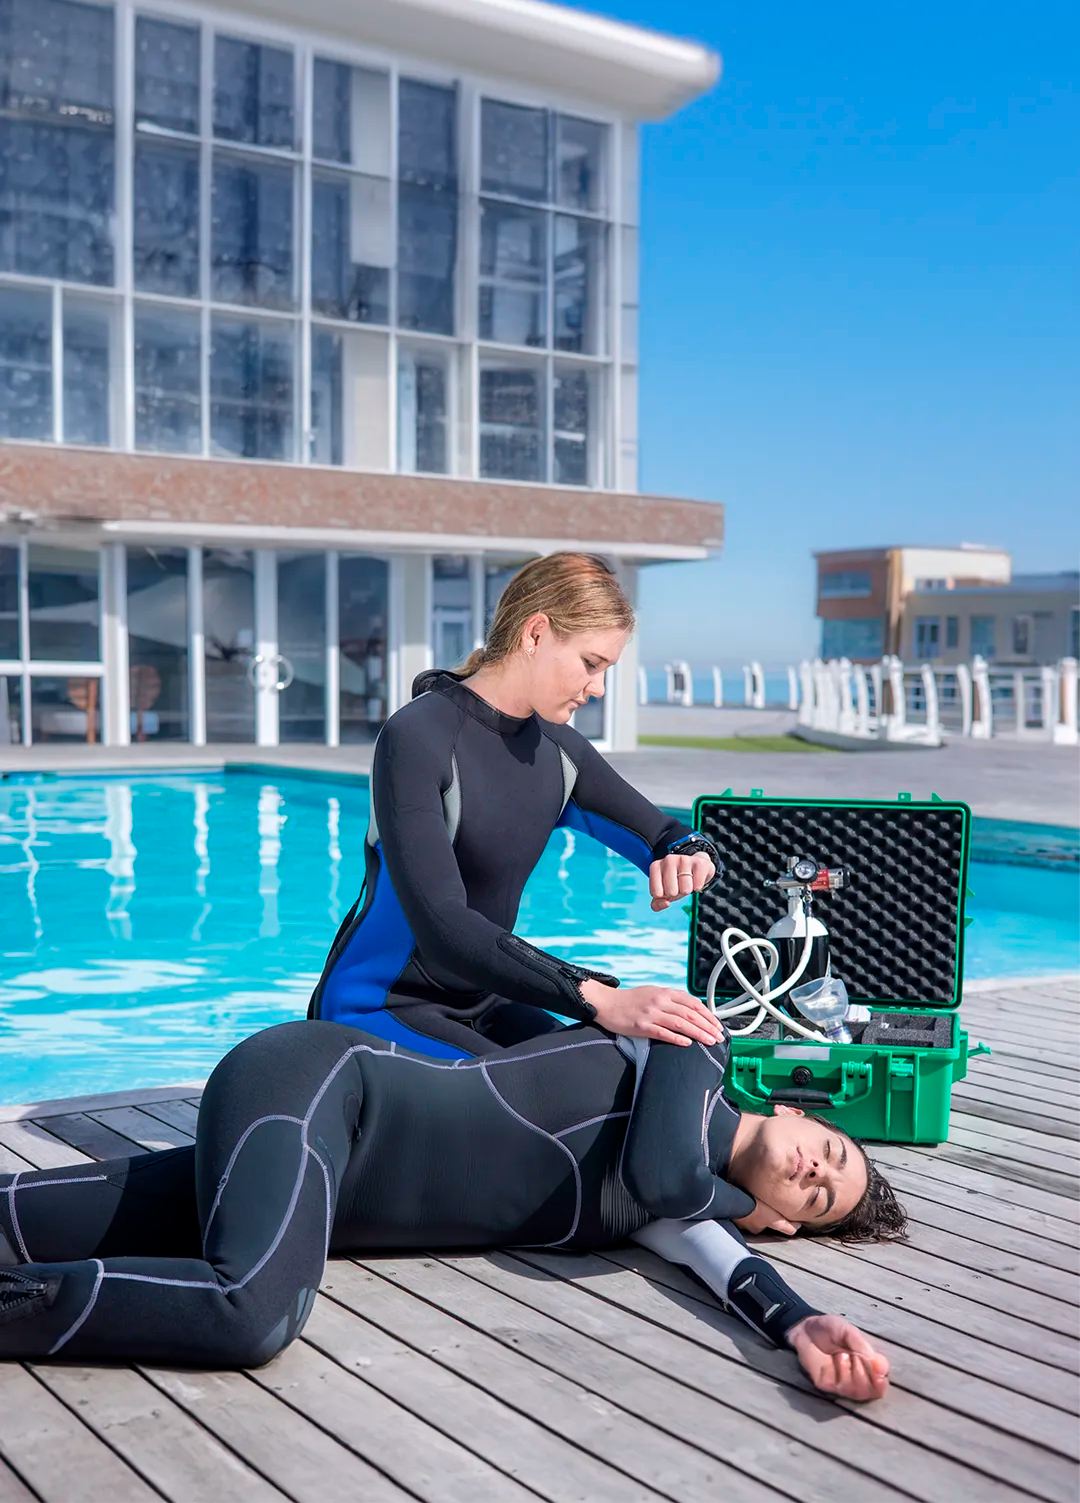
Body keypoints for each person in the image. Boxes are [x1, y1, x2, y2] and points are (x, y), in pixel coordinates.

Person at [0, 1014, 902, 1399]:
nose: (813, 1172)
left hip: (312, 1182)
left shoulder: (678, 1215)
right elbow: (667, 1174)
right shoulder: (688, 1044)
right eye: (829, 1153)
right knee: (250, 1312)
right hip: (320, 1087)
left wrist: (801, 1322)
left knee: (21, 1222)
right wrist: (741, 1205)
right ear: (798, 1113)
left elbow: (727, 1269)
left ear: (790, 1223)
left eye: (819, 1200)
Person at [309, 552, 725, 1058]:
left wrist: (690, 855)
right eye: (591, 664)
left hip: (486, 998)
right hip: (381, 1007)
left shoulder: (559, 750)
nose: (597, 689)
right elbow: (444, 927)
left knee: (623, 1065)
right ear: (535, 634)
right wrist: (598, 998)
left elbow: (663, 834)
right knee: (547, 1093)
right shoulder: (417, 736)